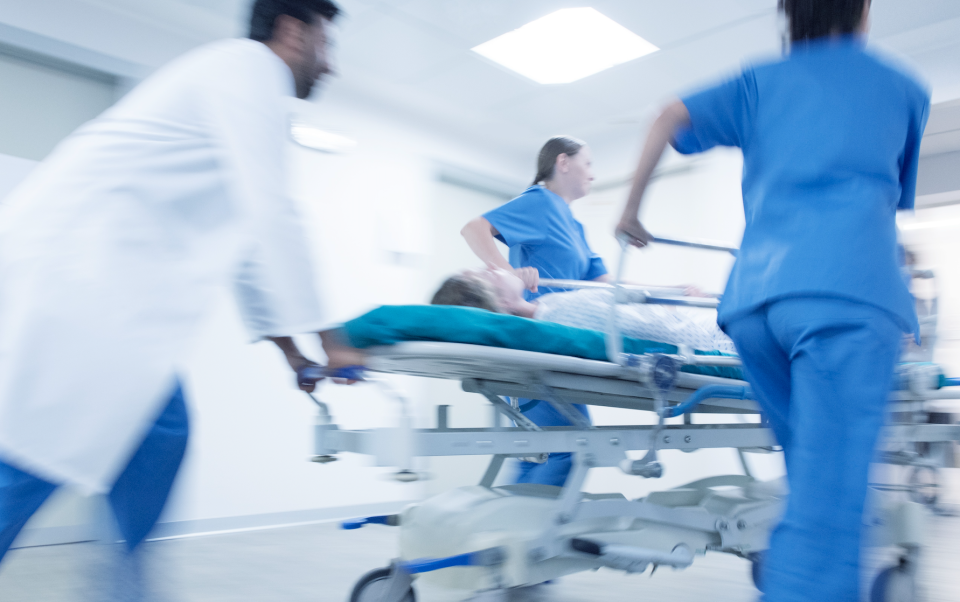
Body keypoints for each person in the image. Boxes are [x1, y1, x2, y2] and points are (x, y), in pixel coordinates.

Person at [0, 0, 343, 592]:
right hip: (81, 282)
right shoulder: (248, 70)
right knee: (31, 456)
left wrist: (292, 349)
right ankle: (126, 581)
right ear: (293, 30)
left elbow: (247, 239)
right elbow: (272, 210)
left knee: (159, 431)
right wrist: (335, 339)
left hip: (98, 292)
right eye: (325, 42)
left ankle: (125, 579)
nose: (331, 65)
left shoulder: (234, 83)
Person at [615, 0, 928, 600]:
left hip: (756, 307)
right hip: (845, 296)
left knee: (812, 477)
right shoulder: (904, 88)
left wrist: (630, 211)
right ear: (863, 11)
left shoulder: (760, 80)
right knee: (829, 497)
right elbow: (884, 205)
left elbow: (667, 116)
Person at [460, 137, 607, 486]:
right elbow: (474, 229)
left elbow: (608, 287)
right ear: (564, 162)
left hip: (564, 346)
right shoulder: (540, 202)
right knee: (568, 448)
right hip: (537, 344)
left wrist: (673, 292)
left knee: (543, 448)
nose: (593, 174)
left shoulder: (575, 226)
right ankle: (529, 536)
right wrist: (506, 272)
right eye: (588, 163)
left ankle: (517, 533)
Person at [433, 268, 736, 354]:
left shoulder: (549, 307)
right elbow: (654, 329)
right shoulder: (560, 316)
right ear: (502, 304)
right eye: (486, 275)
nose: (493, 268)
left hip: (711, 328)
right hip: (718, 339)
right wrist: (677, 304)